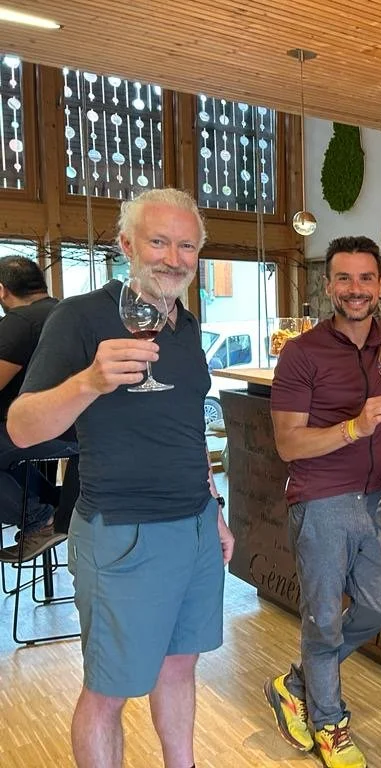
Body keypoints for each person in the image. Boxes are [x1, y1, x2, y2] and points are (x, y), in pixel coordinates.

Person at [7, 188, 233, 768]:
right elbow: (22, 427)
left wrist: (214, 509)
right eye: (159, 242)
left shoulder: (187, 327)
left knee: (180, 665)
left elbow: (187, 429)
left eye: (187, 246)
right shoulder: (80, 317)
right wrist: (89, 381)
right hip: (122, 532)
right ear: (126, 245)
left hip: (196, 528)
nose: (173, 258)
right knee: (109, 690)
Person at [264, 236, 381, 768]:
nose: (356, 289)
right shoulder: (301, 353)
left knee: (373, 612)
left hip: (377, 501)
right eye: (345, 278)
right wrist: (355, 426)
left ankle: (295, 685)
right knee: (323, 620)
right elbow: (288, 445)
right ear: (328, 285)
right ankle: (329, 723)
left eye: (366, 278)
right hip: (321, 502)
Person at [0, 255, 65, 561]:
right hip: (79, 430)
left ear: (2, 290)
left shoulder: (20, 322)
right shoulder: (65, 312)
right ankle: (55, 503)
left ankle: (40, 520)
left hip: (44, 430)